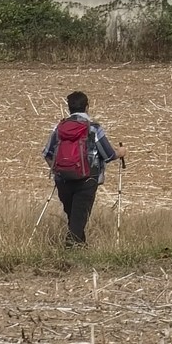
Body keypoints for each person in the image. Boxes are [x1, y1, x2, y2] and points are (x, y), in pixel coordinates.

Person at [42, 89, 122, 247]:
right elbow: (108, 155)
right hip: (87, 179)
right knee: (79, 218)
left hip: (63, 179)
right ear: (87, 107)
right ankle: (71, 249)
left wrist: (57, 169)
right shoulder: (93, 128)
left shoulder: (59, 128)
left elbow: (47, 153)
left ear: (69, 108)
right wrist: (121, 153)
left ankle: (80, 248)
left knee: (75, 217)